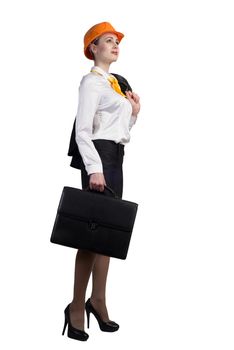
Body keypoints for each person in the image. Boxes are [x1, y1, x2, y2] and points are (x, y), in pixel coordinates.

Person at [62, 21, 141, 341]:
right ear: (93, 48)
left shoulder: (115, 84)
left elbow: (118, 132)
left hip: (115, 159)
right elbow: (84, 130)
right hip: (100, 160)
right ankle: (77, 306)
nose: (115, 45)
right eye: (107, 41)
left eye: (116, 41)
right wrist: (94, 168)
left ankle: (99, 301)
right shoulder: (91, 82)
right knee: (90, 235)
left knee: (107, 235)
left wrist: (134, 112)